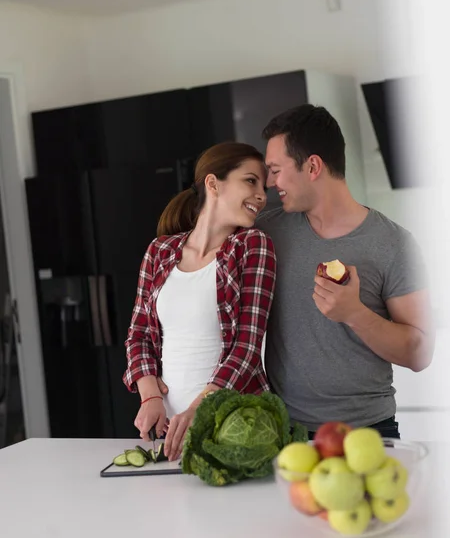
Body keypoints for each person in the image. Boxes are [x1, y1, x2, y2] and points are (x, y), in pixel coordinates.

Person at [255, 104, 435, 440]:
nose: (269, 182)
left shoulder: (394, 243)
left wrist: (354, 314)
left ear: (312, 166)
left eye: (276, 170)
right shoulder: (265, 235)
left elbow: (420, 352)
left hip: (369, 432)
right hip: (286, 432)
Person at [123, 142, 276, 460]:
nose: (262, 195)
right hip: (168, 435)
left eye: (264, 186)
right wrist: (150, 396)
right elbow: (138, 336)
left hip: (236, 425)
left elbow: (247, 351)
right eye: (250, 181)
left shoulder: (251, 246)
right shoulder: (160, 252)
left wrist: (198, 410)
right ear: (213, 183)